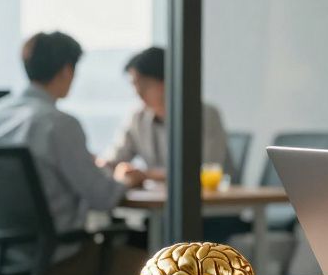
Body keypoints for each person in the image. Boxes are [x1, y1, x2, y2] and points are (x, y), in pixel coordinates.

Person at [0, 31, 147, 275]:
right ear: (67, 70)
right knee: (156, 271)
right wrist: (123, 179)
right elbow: (103, 197)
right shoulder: (58, 124)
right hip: (56, 260)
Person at [98, 46, 229, 180]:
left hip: (209, 198)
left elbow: (206, 170)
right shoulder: (138, 117)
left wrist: (146, 175)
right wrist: (95, 164)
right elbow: (116, 159)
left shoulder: (205, 116)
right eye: (134, 84)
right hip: (158, 198)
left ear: (167, 82)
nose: (137, 92)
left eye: (144, 84)